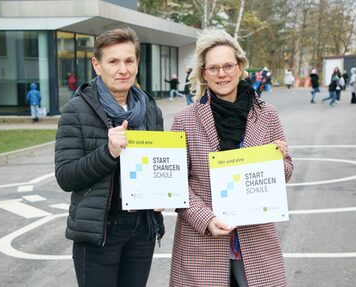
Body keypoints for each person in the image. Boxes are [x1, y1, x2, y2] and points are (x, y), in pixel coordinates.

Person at [169, 29, 294, 287]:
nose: (222, 74)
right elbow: (175, 183)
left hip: (255, 239)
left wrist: (277, 163)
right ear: (203, 73)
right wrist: (206, 219)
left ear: (240, 68)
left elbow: (287, 170)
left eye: (228, 66)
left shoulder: (267, 114)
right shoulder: (185, 119)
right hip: (203, 242)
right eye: (213, 68)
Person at [54, 27, 165, 287]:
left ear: (137, 63)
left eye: (129, 60)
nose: (122, 69)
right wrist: (108, 153)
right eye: (113, 61)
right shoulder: (77, 110)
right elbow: (66, 176)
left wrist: (162, 192)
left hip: (141, 228)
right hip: (100, 232)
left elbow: (159, 162)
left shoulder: (149, 108)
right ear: (97, 65)